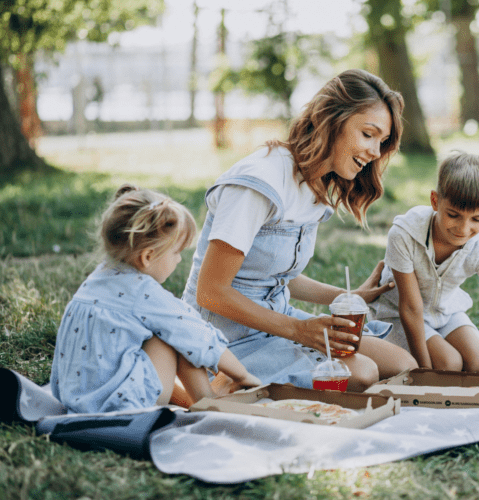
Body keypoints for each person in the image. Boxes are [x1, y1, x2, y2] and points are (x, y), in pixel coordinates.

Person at [182, 69, 418, 392]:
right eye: (368, 134)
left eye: (382, 142)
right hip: (222, 340)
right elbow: (210, 291)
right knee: (362, 373)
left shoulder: (315, 185)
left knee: (402, 363)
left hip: (277, 325)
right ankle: (220, 386)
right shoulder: (259, 183)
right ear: (330, 120)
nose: (376, 153)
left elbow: (276, 273)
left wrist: (346, 297)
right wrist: (299, 330)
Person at [51, 185, 261, 414]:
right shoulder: (141, 292)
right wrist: (243, 374)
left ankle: (198, 400)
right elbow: (198, 335)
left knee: (169, 330)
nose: (180, 260)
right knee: (177, 333)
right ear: (148, 256)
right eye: (176, 252)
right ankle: (207, 400)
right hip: (122, 406)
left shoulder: (95, 281)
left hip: (76, 399)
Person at [370, 152, 479, 380]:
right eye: (454, 215)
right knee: (448, 363)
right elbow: (410, 309)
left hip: (445, 313)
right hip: (398, 314)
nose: (464, 229)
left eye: (477, 219)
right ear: (435, 201)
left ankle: (440, 352)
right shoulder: (404, 234)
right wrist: (425, 371)